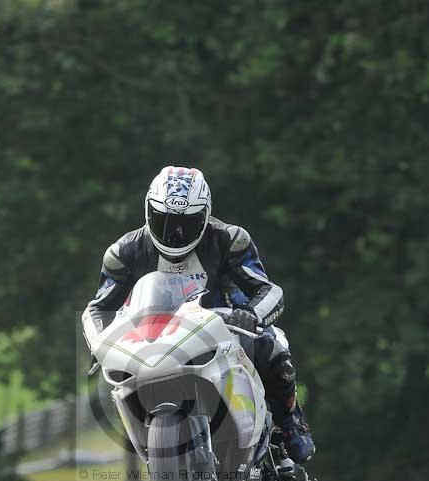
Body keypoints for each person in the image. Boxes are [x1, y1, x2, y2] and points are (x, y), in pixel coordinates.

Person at [82, 166, 315, 463]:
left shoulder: (229, 239)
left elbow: (268, 290)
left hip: (222, 328)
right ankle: (149, 442)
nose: (174, 234)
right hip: (153, 341)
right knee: (116, 379)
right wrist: (99, 342)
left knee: (273, 346)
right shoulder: (123, 252)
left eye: (186, 224)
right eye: (164, 221)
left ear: (205, 215)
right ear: (148, 211)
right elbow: (99, 306)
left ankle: (290, 423)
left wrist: (251, 316)